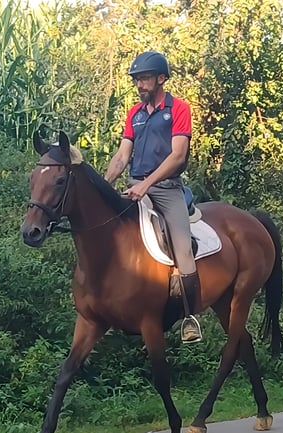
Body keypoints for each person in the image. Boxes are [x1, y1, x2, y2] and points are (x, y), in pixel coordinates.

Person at [104, 50, 202, 343]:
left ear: (161, 79)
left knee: (183, 248)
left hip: (167, 189)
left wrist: (146, 185)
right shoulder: (134, 114)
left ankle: (189, 317)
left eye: (144, 78)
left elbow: (178, 156)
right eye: (137, 80)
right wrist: (104, 183)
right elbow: (122, 156)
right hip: (135, 186)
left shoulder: (179, 109)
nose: (139, 85)